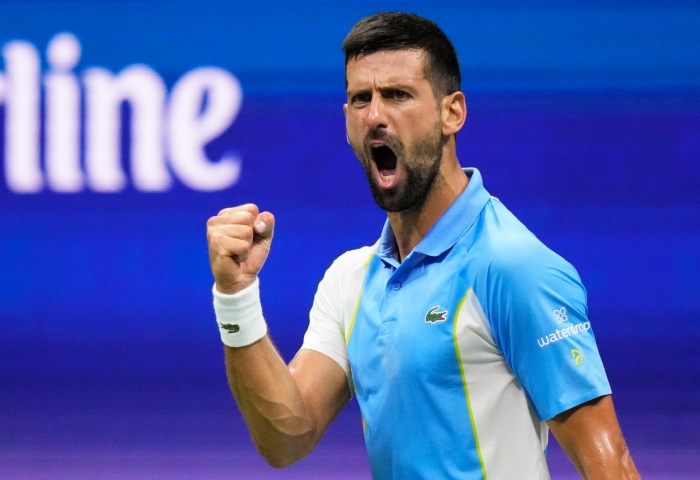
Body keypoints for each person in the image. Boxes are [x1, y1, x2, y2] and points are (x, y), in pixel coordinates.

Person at [206, 12, 640, 479]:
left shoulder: (513, 266)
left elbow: (610, 465)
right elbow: (287, 437)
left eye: (397, 95)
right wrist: (237, 297)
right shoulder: (348, 280)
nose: (375, 115)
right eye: (359, 99)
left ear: (452, 112)